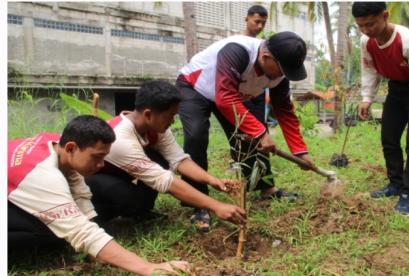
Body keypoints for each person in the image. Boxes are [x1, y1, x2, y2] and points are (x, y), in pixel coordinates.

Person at [8, 115, 189, 275]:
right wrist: (148, 268)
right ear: (71, 148)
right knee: (52, 229)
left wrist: (95, 249)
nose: (102, 164)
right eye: (96, 157)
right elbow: (81, 232)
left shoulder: (56, 144)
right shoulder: (43, 175)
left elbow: (79, 191)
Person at [176, 31, 314, 229]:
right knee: (196, 134)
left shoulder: (278, 73)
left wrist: (300, 151)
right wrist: (259, 133)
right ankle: (198, 203)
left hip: (230, 95)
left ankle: (264, 187)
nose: (283, 75)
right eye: (282, 69)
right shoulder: (237, 52)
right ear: (266, 57)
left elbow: (284, 110)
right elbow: (225, 98)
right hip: (195, 87)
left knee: (251, 137)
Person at [85, 81, 247, 233]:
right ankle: (101, 219)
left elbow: (179, 159)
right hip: (94, 183)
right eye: (170, 115)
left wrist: (212, 180)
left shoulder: (155, 128)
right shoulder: (120, 138)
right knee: (124, 195)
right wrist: (216, 206)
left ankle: (141, 210)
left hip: (123, 174)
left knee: (159, 159)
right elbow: (164, 181)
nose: (173, 120)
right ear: (148, 114)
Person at [352, 2, 409, 216]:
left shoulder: (408, 40)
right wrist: (366, 97)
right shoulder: (366, 42)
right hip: (395, 90)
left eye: (370, 24)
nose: (366, 30)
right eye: (361, 26)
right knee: (389, 139)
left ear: (385, 15)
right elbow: (369, 69)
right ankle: (395, 184)